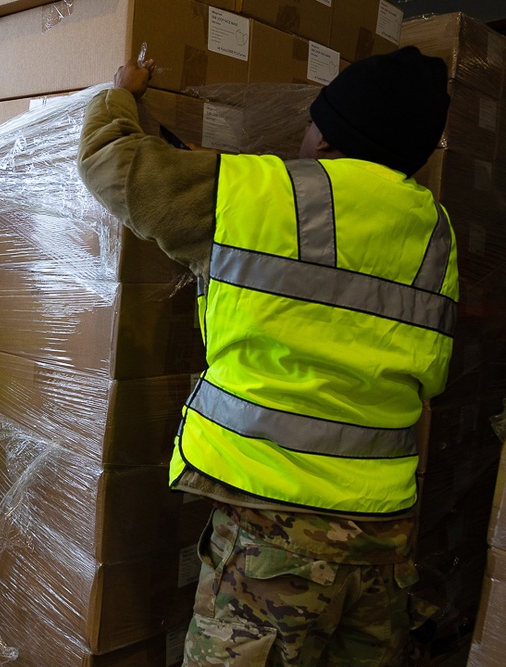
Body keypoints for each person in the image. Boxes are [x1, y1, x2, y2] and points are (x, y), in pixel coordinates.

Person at [79, 46, 457, 666]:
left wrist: (120, 93)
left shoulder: (262, 191)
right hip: (385, 538)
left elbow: (109, 163)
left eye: (315, 120)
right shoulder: (434, 231)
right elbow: (431, 373)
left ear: (330, 136)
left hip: (276, 535)